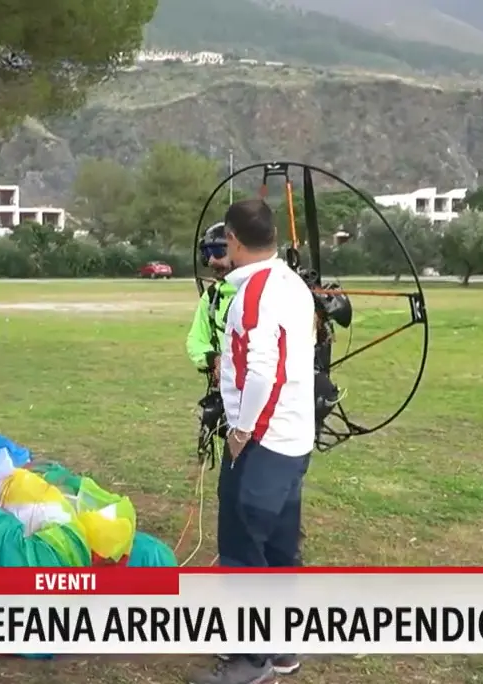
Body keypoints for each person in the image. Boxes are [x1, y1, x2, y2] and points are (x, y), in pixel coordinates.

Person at [192, 199, 315, 684]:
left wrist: (243, 432)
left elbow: (267, 371)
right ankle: (282, 647)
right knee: (281, 545)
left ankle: (249, 659)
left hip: (263, 443)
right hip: (294, 439)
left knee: (243, 546)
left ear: (236, 242)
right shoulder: (291, 284)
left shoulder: (255, 293)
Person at [186, 222, 237, 376]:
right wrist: (214, 359)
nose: (211, 261)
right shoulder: (212, 296)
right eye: (207, 254)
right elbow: (196, 341)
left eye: (219, 252)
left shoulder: (265, 291)